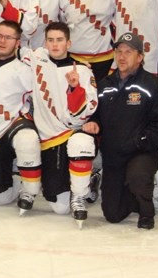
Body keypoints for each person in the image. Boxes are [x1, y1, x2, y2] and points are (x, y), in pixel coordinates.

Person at [82, 33, 158, 230]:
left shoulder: (152, 86)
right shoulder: (105, 85)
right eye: (119, 51)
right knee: (112, 215)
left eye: (128, 52)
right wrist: (93, 122)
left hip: (142, 152)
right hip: (114, 156)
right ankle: (131, 194)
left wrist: (141, 141)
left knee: (137, 176)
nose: (122, 57)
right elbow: (94, 113)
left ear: (140, 57)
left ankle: (146, 211)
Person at [21, 22, 98, 228]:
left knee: (80, 143)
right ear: (45, 43)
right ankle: (77, 184)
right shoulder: (37, 60)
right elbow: (16, 50)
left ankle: (83, 192)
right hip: (49, 139)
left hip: (73, 133)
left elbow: (87, 111)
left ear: (69, 43)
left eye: (60, 40)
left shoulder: (82, 70)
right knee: (60, 206)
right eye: (51, 40)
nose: (55, 45)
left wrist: (75, 89)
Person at [0, 21, 41, 215]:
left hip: (14, 126)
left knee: (27, 140)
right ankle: (15, 173)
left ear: (17, 43)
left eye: (8, 37)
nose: (2, 41)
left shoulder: (24, 70)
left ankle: (29, 191)